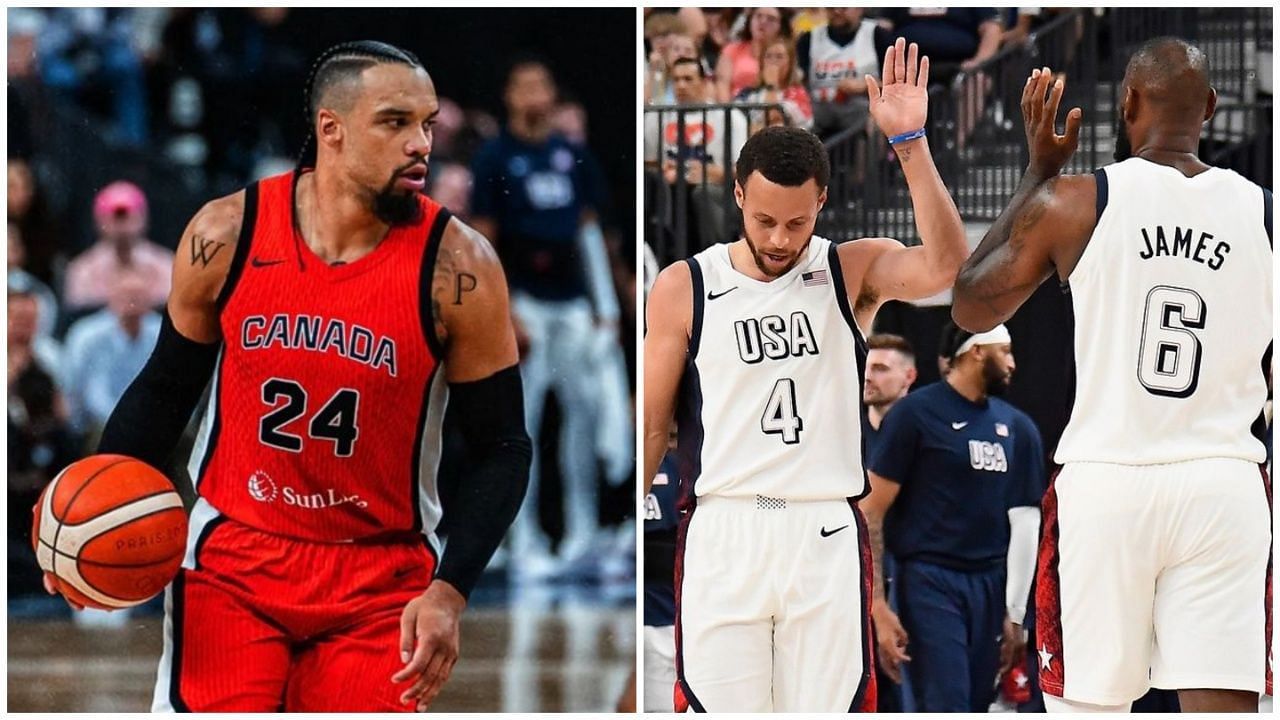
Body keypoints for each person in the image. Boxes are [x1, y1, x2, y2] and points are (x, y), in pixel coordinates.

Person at [41, 40, 531, 712]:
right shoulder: (226, 233)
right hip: (234, 563)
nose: (420, 143)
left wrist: (450, 589)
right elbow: (165, 389)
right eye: (395, 122)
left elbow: (504, 446)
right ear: (331, 129)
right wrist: (85, 520)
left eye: (426, 123)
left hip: (380, 573)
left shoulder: (460, 270)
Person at [643, 39, 968, 712]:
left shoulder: (851, 269)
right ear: (736, 195)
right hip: (724, 528)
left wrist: (909, 143)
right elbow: (651, 425)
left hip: (822, 530)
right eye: (763, 219)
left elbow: (947, 269)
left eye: (797, 221)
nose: (779, 239)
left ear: (822, 201)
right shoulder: (685, 285)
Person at [951, 39, 1272, 712]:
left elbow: (970, 305)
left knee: (1089, 706)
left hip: (1110, 483)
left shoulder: (1076, 200)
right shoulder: (1265, 213)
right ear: (1210, 108)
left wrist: (1036, 174)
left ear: (1125, 105)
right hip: (1225, 482)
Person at [469, 57, 609, 579]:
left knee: (584, 421)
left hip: (572, 304)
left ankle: (583, 534)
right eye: (524, 84)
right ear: (508, 95)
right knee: (520, 427)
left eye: (542, 84)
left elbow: (594, 237)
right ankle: (522, 538)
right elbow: (482, 242)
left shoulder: (571, 154)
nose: (534, 94)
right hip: (524, 302)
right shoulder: (495, 157)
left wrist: (605, 309)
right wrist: (503, 313)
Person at [863, 321, 1044, 712]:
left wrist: (1015, 613)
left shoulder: (1018, 429)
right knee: (943, 704)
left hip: (990, 583)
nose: (1012, 363)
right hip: (928, 581)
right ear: (977, 350)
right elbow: (871, 510)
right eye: (1005, 351)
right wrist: (877, 604)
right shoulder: (915, 415)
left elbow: (1027, 525)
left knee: (979, 704)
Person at [860, 332, 917, 713]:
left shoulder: (927, 423)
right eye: (865, 368)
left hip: (917, 575)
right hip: (855, 574)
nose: (868, 377)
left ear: (909, 376)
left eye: (880, 368)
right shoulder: (842, 427)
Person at [62, 268, 162, 441]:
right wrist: (124, 422)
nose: (133, 300)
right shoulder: (87, 334)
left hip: (151, 420)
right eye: (126, 294)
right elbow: (90, 394)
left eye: (139, 294)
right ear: (111, 296)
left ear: (150, 299)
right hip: (98, 421)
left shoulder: (161, 331)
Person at [63, 180, 173, 312]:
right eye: (115, 217)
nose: (122, 226)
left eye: (127, 216)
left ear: (143, 218)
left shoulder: (166, 266)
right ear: (99, 220)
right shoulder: (82, 271)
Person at [795, 8, 881, 139]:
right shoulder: (809, 39)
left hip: (861, 108)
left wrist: (865, 86)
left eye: (844, 7)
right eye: (831, 7)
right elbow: (797, 81)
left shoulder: (877, 35)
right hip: (818, 110)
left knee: (874, 118)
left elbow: (897, 84)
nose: (837, 11)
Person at [733, 38, 814, 132]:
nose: (773, 61)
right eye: (768, 56)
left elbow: (774, 117)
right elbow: (735, 121)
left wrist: (771, 86)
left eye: (779, 57)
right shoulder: (748, 93)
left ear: (790, 63)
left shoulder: (798, 93)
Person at [714, 7, 793, 102]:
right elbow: (722, 84)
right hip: (735, 108)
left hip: (774, 103)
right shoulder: (732, 49)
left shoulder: (785, 53)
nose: (763, 21)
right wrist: (728, 113)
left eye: (771, 19)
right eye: (758, 16)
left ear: (781, 26)